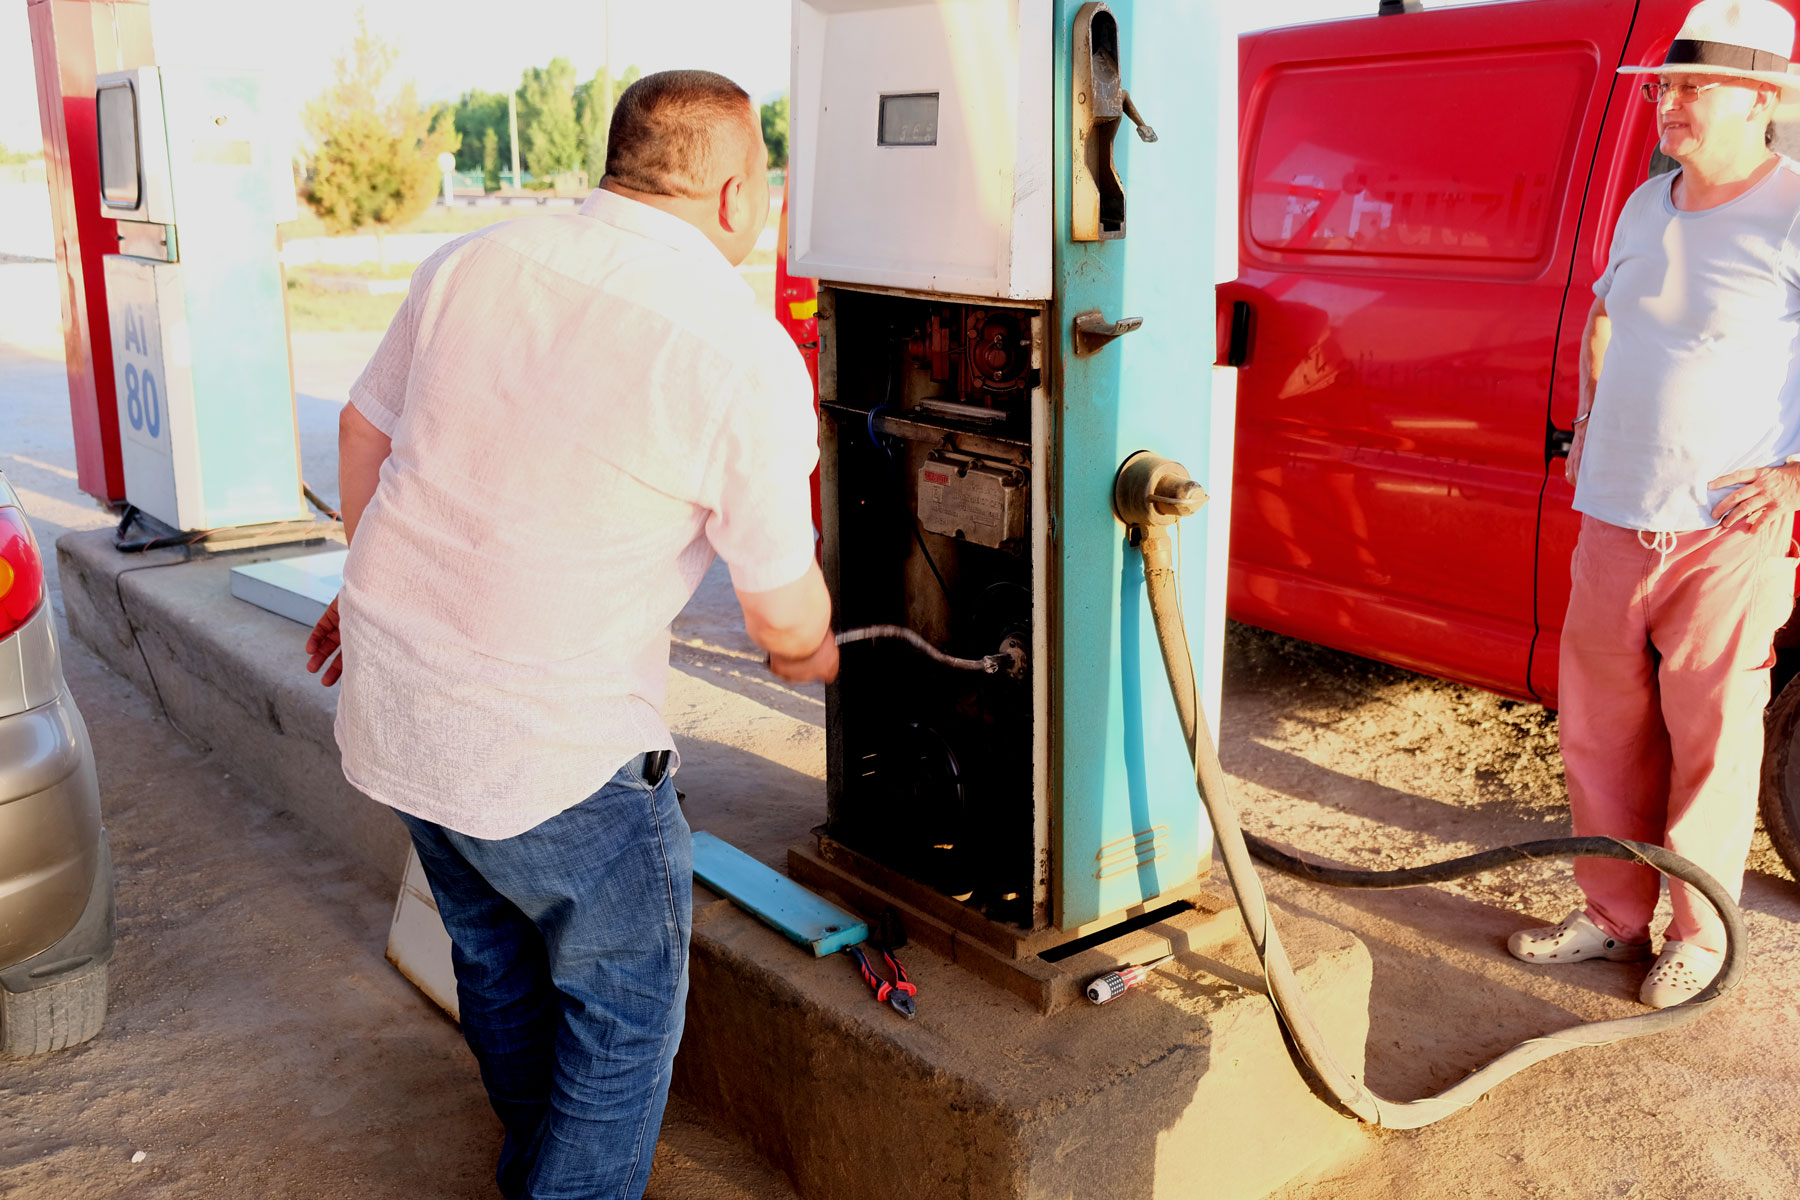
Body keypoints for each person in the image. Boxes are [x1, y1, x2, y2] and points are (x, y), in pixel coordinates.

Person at [302, 70, 838, 1199]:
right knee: (626, 1010)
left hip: (397, 702)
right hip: (550, 748)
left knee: (496, 961)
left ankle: (532, 1164)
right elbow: (781, 607)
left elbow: (363, 429)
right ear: (739, 193)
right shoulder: (739, 352)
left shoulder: (476, 260)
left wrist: (373, 594)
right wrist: (811, 654)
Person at [1509, 0, 1800, 1008]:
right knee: (1598, 729)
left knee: (1713, 740)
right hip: (1613, 517)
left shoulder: (1797, 209)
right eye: (1664, 88)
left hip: (1727, 534)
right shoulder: (1647, 204)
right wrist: (1593, 424)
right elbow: (1605, 316)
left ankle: (1699, 936)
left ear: (1761, 99)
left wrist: (1797, 476)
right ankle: (1610, 916)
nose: (1667, 105)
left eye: (1689, 88)